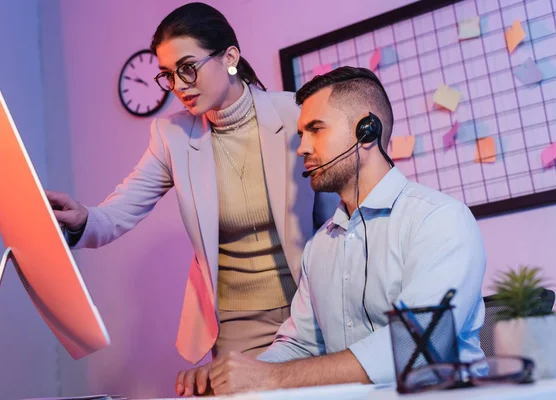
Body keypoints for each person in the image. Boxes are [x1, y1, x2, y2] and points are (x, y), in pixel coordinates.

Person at [45, 2, 336, 397]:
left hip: (311, 308)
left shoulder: (294, 113)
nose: (179, 85)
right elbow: (119, 210)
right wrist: (82, 219)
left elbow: (335, 217)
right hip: (237, 327)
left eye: (187, 67)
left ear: (230, 57)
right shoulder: (172, 136)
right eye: (168, 75)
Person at [206, 66, 487, 395]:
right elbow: (300, 346)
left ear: (366, 131)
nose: (302, 149)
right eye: (301, 135)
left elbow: (414, 346)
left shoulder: (439, 220)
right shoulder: (320, 245)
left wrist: (272, 378)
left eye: (316, 129)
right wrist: (234, 375)